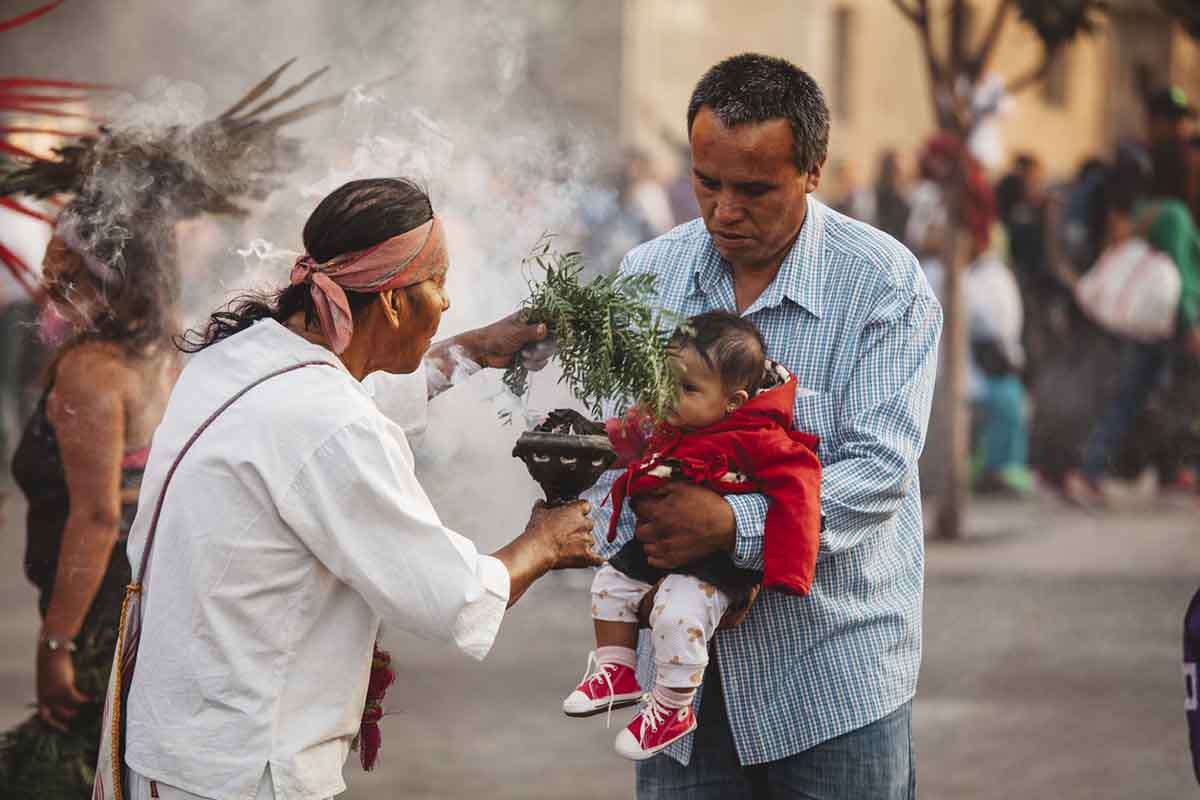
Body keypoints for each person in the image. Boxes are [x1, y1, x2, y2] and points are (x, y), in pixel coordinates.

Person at [118, 178, 598, 800]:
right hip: (239, 769)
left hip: (179, 744)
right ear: (395, 303)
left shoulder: (237, 358)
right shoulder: (331, 424)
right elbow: (447, 594)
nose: (448, 304)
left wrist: (474, 351)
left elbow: (348, 399)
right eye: (439, 283)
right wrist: (545, 542)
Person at [585, 54, 940, 798]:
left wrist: (729, 524)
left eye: (754, 190)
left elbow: (877, 471)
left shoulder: (884, 284)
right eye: (706, 183)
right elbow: (610, 453)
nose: (722, 211)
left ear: (813, 170)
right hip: (682, 698)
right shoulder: (649, 277)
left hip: (833, 684)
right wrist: (630, 549)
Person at [563, 311, 821, 761]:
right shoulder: (666, 423)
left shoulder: (757, 436)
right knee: (609, 584)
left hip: (715, 561)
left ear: (733, 401)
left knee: (676, 612)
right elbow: (624, 438)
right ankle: (616, 671)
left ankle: (672, 708)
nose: (668, 397)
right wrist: (586, 438)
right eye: (666, 383)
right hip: (660, 544)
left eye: (687, 389)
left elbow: (800, 491)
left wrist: (788, 571)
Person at [0, 196, 181, 799]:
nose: (47, 261)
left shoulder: (92, 371)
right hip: (141, 596)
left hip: (101, 608)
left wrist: (56, 643)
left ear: (93, 264)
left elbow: (99, 517)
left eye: (62, 247)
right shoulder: (164, 351)